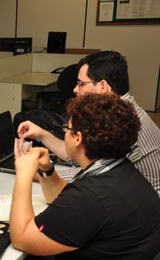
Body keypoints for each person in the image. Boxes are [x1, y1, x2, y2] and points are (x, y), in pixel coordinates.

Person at [10, 93, 160, 259]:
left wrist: (23, 175)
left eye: (67, 129)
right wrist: (47, 170)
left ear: (78, 138)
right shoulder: (120, 171)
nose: (65, 133)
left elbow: (22, 238)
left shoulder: (91, 197)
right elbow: (65, 199)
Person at [18, 51, 160, 196]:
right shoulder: (118, 112)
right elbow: (78, 154)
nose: (75, 89)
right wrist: (42, 134)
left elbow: (91, 176)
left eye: (81, 84)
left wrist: (34, 173)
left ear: (102, 86)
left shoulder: (123, 123)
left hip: (144, 205)